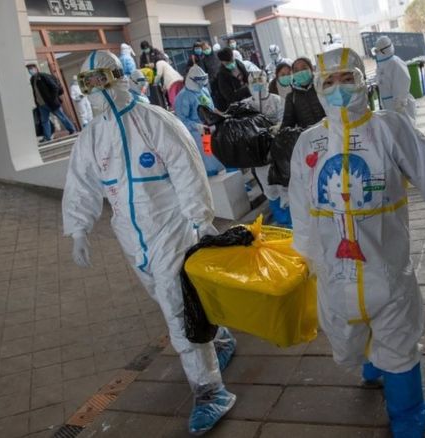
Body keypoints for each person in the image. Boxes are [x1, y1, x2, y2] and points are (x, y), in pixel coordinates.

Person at [288, 47, 425, 437]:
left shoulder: (390, 129)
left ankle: (408, 414)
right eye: (328, 82)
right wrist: (307, 257)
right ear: (317, 88)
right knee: (347, 338)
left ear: (363, 82)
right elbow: (300, 206)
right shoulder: (308, 145)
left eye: (347, 78)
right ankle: (369, 363)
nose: (338, 89)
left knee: (397, 343)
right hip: (334, 271)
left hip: (387, 270)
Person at [63, 51, 237, 436]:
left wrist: (200, 218)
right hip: (132, 238)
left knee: (177, 312)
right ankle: (220, 338)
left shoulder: (154, 121)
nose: (97, 90)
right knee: (167, 298)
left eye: (102, 79)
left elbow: (187, 168)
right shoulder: (93, 136)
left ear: (118, 76)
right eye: (88, 83)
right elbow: (81, 183)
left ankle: (210, 391)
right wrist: (78, 228)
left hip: (170, 229)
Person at [242, 71, 290, 227]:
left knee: (285, 184)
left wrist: (278, 127)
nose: (257, 83)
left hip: (279, 151)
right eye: (253, 80)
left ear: (266, 80)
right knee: (268, 186)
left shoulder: (277, 100)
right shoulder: (245, 104)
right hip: (259, 156)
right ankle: (281, 218)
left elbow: (285, 118)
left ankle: (292, 217)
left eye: (260, 79)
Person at [175, 65, 225, 177]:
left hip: (213, 128)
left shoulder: (204, 90)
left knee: (222, 154)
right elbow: (182, 120)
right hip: (200, 134)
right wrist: (197, 126)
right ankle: (215, 180)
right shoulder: (183, 96)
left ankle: (229, 179)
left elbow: (211, 107)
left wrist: (221, 115)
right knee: (209, 159)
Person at [27, 63, 76, 142]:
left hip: (51, 103)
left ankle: (72, 130)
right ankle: (47, 137)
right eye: (29, 69)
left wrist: (52, 99)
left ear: (36, 68)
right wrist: (37, 102)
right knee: (44, 121)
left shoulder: (43, 76)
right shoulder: (32, 79)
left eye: (31, 68)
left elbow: (55, 87)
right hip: (41, 105)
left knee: (61, 117)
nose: (30, 70)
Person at [374, 36, 416, 122]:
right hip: (389, 106)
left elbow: (402, 82)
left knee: (406, 129)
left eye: (377, 51)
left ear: (383, 50)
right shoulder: (382, 64)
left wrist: (399, 103)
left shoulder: (395, 62)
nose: (377, 53)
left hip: (399, 106)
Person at [281, 57, 325, 129]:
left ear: (311, 69)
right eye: (296, 70)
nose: (300, 72)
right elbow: (287, 124)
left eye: (304, 68)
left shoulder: (323, 87)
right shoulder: (291, 97)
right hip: (310, 138)